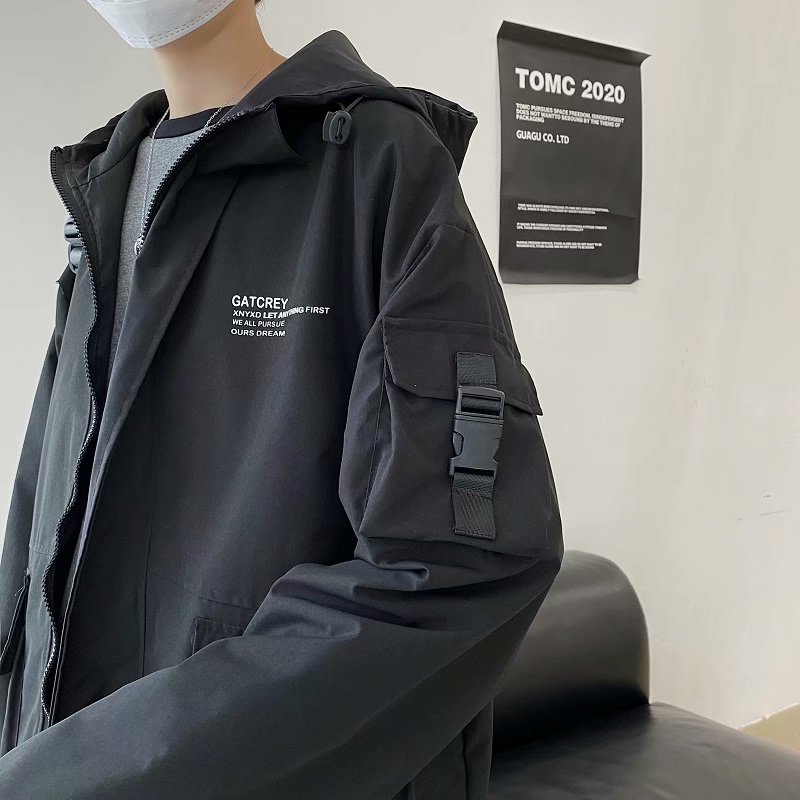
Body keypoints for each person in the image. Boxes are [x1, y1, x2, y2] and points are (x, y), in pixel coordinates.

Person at [0, 1, 563, 797]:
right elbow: (40, 519)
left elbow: (461, 564)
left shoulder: (375, 164)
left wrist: (89, 777)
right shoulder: (104, 185)